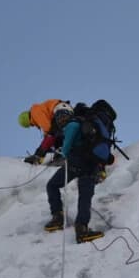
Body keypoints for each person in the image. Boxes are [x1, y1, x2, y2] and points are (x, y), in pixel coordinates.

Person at [43, 101, 117, 243]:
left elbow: (65, 149)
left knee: (52, 185)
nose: (60, 120)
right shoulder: (87, 124)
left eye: (61, 116)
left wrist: (61, 152)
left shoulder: (73, 124)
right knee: (85, 196)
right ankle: (81, 229)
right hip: (91, 165)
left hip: (76, 163)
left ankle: (58, 217)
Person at [18, 99, 69, 164]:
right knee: (58, 135)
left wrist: (42, 150)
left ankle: (40, 156)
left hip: (61, 111)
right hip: (65, 111)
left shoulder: (35, 113)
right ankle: (60, 153)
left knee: (52, 135)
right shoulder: (39, 110)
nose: (32, 126)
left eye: (30, 125)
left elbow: (48, 129)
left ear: (27, 121)